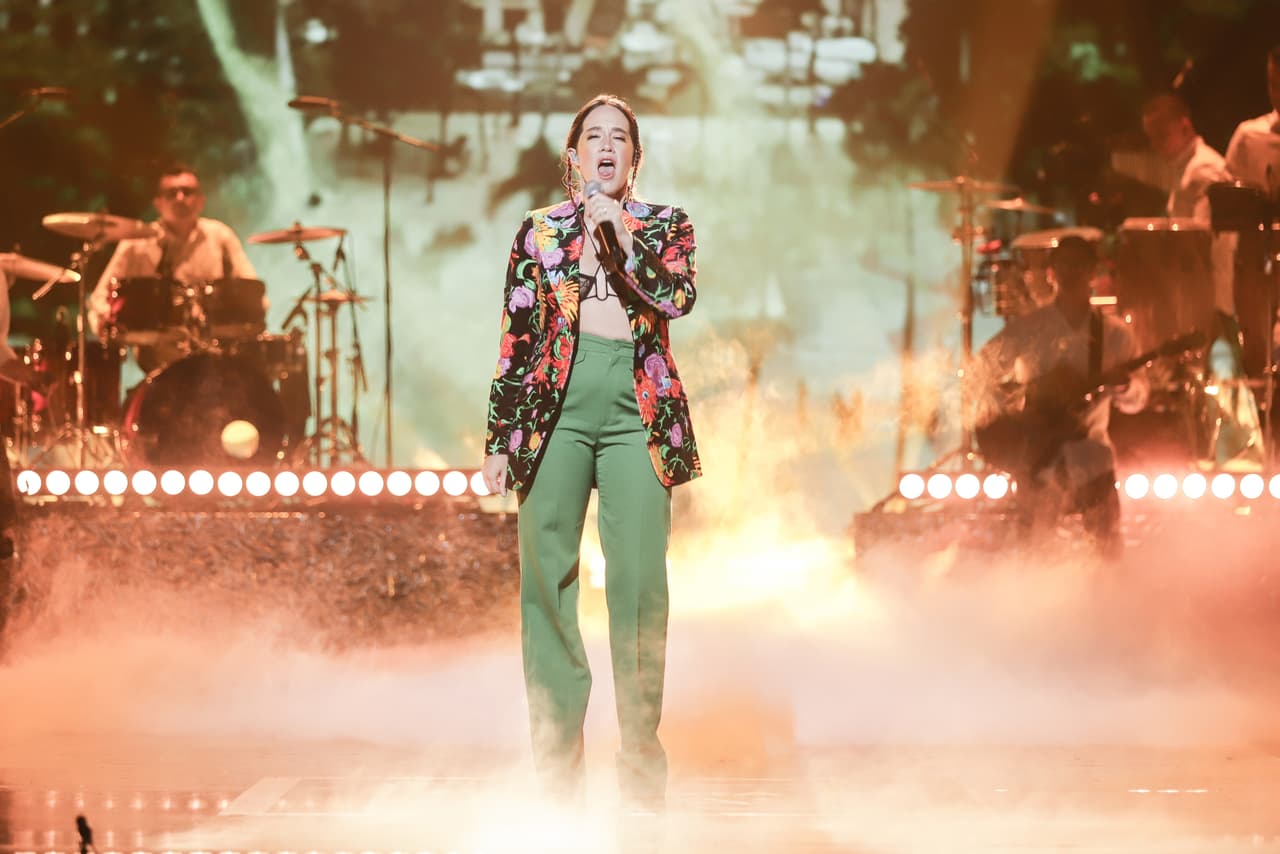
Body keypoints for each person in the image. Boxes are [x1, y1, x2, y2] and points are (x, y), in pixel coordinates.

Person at [481, 94, 700, 811]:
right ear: (573, 157)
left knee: (639, 583)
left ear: (634, 159)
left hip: (638, 407)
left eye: (620, 138)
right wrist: (499, 441)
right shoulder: (538, 231)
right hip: (555, 412)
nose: (606, 146)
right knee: (547, 583)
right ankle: (557, 789)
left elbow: (676, 299)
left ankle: (641, 781)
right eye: (593, 137)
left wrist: (624, 237)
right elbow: (517, 339)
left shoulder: (666, 225)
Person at [973, 236, 1149, 560]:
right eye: (1063, 265)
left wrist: (1125, 388)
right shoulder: (1028, 329)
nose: (1070, 272)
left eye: (1078, 265)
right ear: (1051, 273)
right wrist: (1008, 412)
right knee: (1033, 552)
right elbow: (981, 369)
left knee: (1106, 552)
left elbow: (1138, 400)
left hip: (1091, 456)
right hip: (1038, 457)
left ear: (1092, 272)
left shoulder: (1114, 335)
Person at [87, 163, 258, 372]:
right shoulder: (136, 243)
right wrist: (109, 327)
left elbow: (253, 293)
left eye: (187, 192)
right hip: (156, 362)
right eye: (171, 193)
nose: (180, 198)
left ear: (201, 201)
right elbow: (99, 299)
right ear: (158, 203)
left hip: (216, 357)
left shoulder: (220, 236)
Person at [1223, 46, 1280, 382]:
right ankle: (1262, 422)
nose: (1278, 94)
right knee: (1255, 351)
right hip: (1255, 258)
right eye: (1273, 84)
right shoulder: (1249, 135)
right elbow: (1225, 190)